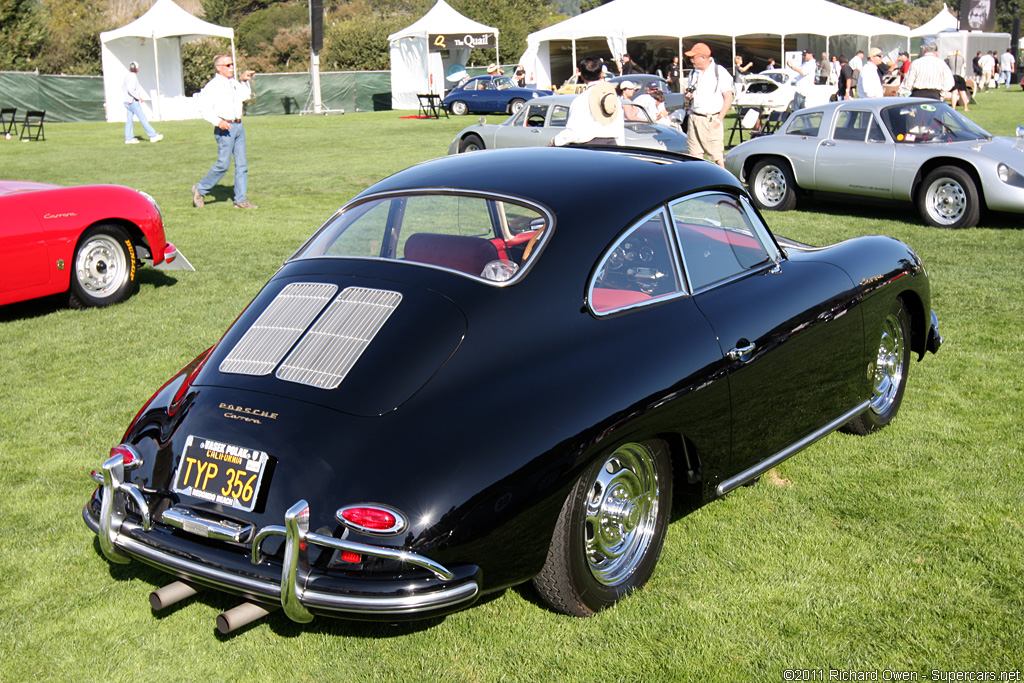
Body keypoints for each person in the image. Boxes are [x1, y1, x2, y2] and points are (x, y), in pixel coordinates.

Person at [191, 54, 257, 209]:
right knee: (223, 165)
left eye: (232, 64)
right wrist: (218, 121)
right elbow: (203, 109)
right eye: (228, 65)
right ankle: (200, 189)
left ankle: (240, 200)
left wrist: (244, 80)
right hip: (225, 127)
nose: (231, 67)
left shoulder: (233, 83)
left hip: (238, 126)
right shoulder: (213, 86)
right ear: (218, 67)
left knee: (242, 165)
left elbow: (245, 96)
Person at [551, 56, 624, 147]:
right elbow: (620, 127)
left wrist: (555, 142)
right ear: (602, 74)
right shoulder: (613, 97)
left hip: (590, 148)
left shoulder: (580, 100)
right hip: (613, 146)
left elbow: (572, 131)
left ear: (581, 76)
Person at [682, 42, 733, 168]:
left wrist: (719, 120)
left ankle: (725, 182)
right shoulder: (693, 73)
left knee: (717, 156)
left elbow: (728, 97)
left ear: (703, 57)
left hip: (710, 119)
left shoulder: (719, 72)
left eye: (693, 57)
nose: (691, 60)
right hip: (694, 117)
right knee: (694, 154)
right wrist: (690, 96)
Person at [122, 61, 162, 144]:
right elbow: (130, 89)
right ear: (136, 68)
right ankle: (153, 135)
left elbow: (124, 88)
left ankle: (128, 138)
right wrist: (138, 97)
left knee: (129, 120)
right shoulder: (133, 77)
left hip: (127, 101)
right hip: (132, 101)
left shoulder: (127, 76)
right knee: (142, 118)